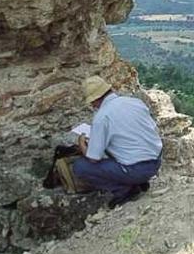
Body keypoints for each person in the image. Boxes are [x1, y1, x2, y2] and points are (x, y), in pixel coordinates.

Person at [70, 75, 163, 205]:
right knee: (119, 148)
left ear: (96, 99)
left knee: (80, 167)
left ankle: (124, 190)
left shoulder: (102, 117)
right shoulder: (135, 102)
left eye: (91, 102)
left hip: (136, 170)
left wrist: (81, 143)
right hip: (156, 162)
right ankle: (138, 181)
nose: (92, 105)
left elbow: (93, 158)